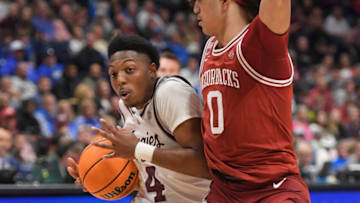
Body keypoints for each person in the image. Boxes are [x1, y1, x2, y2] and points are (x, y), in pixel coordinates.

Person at [190, 0, 311, 202]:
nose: (195, 9)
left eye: (200, 1)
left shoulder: (260, 45)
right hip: (223, 190)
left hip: (270, 189)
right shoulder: (209, 47)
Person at [67, 34, 210, 203]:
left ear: (151, 70)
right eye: (113, 73)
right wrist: (96, 177)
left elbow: (206, 166)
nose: (120, 80)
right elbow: (153, 174)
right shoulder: (126, 107)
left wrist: (138, 150)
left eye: (129, 70)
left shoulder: (170, 92)